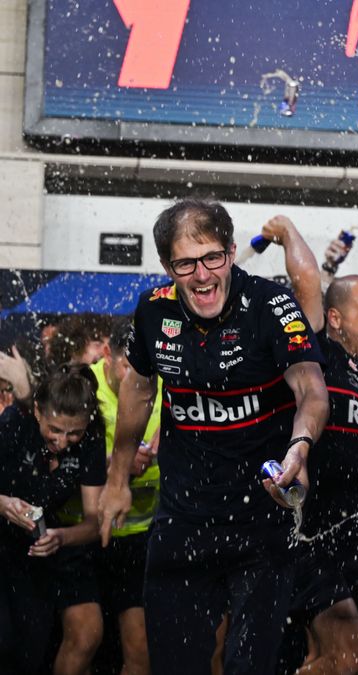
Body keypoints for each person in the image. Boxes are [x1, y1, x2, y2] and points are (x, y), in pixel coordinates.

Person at [96, 198, 329, 675]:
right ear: (167, 266)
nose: (202, 276)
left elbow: (312, 390)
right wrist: (117, 478)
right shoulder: (153, 311)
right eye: (185, 264)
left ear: (231, 251)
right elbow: (139, 390)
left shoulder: (271, 304)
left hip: (262, 520)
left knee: (250, 666)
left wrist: (299, 447)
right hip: (183, 519)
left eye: (212, 258)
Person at [287, 276, 358, 674]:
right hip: (312, 536)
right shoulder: (318, 358)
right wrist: (286, 231)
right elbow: (309, 283)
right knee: (348, 655)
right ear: (334, 318)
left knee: (333, 658)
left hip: (356, 540)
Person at [0, 366, 106, 674]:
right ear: (37, 412)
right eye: (55, 430)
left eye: (74, 432)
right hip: (3, 539)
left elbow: (92, 522)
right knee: (5, 641)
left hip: (43, 546)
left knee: (35, 644)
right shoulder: (14, 424)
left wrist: (61, 537)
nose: (63, 441)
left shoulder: (92, 440)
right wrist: (4, 503)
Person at [88, 317, 162, 675]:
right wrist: (114, 464)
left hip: (138, 540)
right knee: (84, 641)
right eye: (127, 367)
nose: (136, 378)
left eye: (143, 368)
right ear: (106, 355)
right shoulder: (83, 387)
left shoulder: (160, 386)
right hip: (84, 539)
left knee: (140, 651)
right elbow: (56, 453)